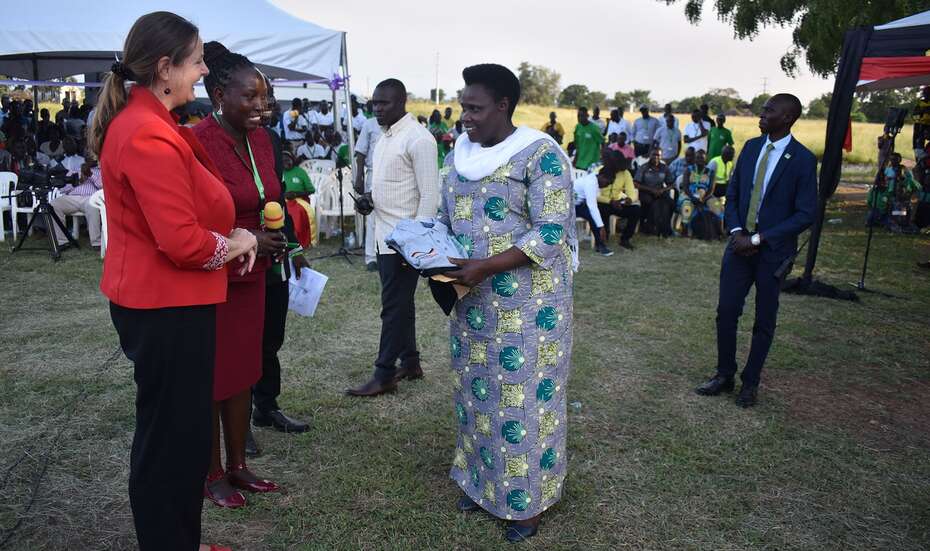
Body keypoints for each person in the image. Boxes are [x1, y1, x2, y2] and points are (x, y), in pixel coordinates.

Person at [91, 12, 258, 551]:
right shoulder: (145, 133)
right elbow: (181, 240)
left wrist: (229, 230)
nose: (204, 69)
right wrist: (233, 244)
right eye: (197, 60)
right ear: (165, 68)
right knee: (172, 441)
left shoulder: (153, 123)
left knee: (179, 437)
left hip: (174, 305)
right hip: (166, 309)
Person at [439, 63, 576, 543]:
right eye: (463, 106)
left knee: (523, 405)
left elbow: (552, 231)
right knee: (476, 399)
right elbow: (445, 218)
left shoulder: (540, 156)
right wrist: (426, 250)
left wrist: (486, 266)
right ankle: (480, 485)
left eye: (474, 108)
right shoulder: (459, 155)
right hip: (472, 303)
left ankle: (525, 504)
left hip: (529, 312)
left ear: (503, 105)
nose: (465, 117)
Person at [195, 41, 284, 509]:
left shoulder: (262, 139)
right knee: (214, 376)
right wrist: (247, 236)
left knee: (244, 372)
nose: (260, 106)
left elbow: (271, 194)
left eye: (264, 97)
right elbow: (194, 218)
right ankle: (210, 473)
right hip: (216, 277)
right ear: (217, 94)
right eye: (249, 97)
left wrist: (276, 233)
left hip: (256, 274)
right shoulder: (196, 142)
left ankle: (238, 465)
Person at [695, 93, 817, 408]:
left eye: (768, 110)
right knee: (726, 312)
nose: (761, 115)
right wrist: (737, 231)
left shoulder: (802, 159)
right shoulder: (750, 148)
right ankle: (724, 374)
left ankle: (750, 383)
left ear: (788, 117)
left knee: (764, 319)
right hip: (738, 246)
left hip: (772, 251)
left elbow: (805, 214)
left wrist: (759, 239)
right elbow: (733, 193)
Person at [345, 78, 439, 397]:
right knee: (401, 305)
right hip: (383, 234)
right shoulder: (384, 137)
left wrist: (418, 244)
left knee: (393, 307)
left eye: (384, 103)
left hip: (405, 240)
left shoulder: (419, 139)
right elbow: (392, 185)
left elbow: (429, 196)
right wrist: (369, 199)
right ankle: (410, 362)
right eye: (374, 103)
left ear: (402, 103)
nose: (377, 109)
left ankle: (384, 374)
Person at [48, 158, 103, 247]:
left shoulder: (100, 171)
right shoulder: (74, 171)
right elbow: (63, 189)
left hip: (89, 198)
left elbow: (101, 186)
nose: (91, 160)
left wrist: (90, 174)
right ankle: (62, 241)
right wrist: (77, 182)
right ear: (85, 159)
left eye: (93, 158)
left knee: (93, 205)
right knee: (54, 205)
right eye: (89, 158)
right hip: (71, 198)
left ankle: (96, 242)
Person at [354, 114, 384, 271]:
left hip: (394, 176)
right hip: (373, 174)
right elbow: (360, 152)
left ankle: (391, 255)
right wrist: (359, 176)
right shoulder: (369, 124)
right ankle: (371, 258)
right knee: (372, 219)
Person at [597, 150, 641, 250]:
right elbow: (595, 195)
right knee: (601, 209)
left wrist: (629, 199)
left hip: (618, 202)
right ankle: (603, 237)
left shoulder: (625, 173)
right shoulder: (600, 171)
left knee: (636, 210)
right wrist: (610, 201)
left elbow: (631, 192)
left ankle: (625, 239)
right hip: (603, 202)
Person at [678, 149, 722, 237]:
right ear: (695, 159)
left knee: (717, 205)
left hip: (705, 195)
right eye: (697, 158)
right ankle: (684, 229)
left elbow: (711, 189)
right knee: (687, 205)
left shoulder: (711, 172)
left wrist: (703, 199)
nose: (699, 160)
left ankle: (719, 230)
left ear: (706, 159)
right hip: (688, 194)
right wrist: (693, 198)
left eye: (702, 158)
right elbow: (685, 187)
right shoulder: (689, 170)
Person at [634, 147, 675, 236]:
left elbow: (671, 184)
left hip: (660, 192)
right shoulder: (643, 167)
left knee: (671, 203)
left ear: (661, 156)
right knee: (651, 202)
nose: (656, 157)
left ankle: (665, 226)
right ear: (650, 155)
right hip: (646, 192)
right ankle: (648, 226)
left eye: (658, 155)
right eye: (654, 155)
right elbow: (636, 184)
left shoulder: (664, 168)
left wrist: (662, 190)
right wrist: (651, 190)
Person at [575, 166, 614, 256]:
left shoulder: (594, 178)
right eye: (607, 182)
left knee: (593, 215)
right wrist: (601, 226)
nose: (607, 185)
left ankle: (600, 245)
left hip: (578, 204)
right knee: (593, 215)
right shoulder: (591, 183)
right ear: (601, 176)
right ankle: (600, 245)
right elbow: (592, 206)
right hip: (568, 206)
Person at [911, 86, 930, 156]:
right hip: (920, 125)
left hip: (928, 126)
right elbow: (914, 116)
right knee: (918, 142)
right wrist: (922, 112)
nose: (927, 95)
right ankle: (919, 158)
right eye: (926, 93)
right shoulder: (920, 103)